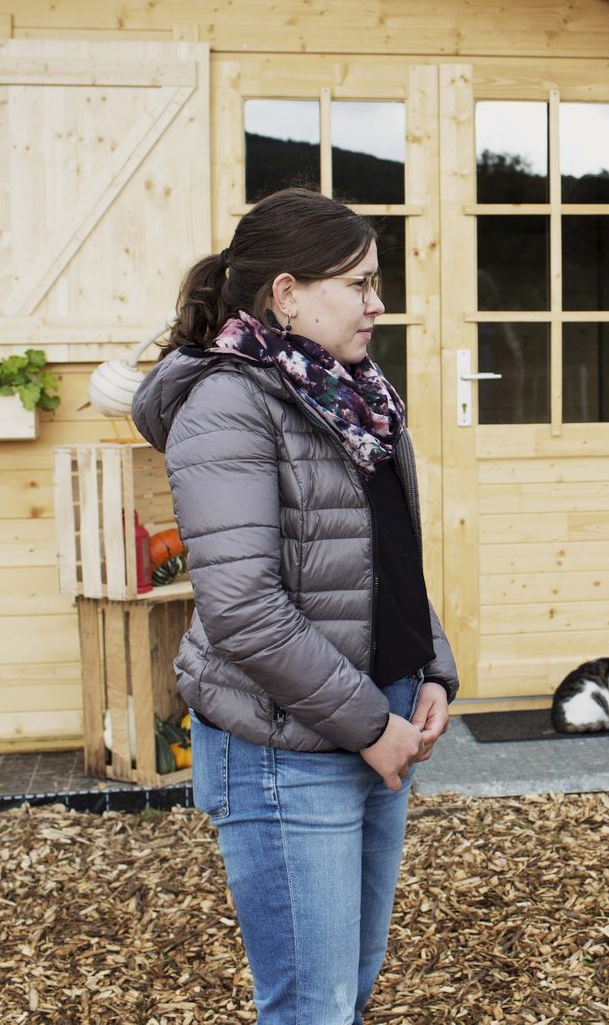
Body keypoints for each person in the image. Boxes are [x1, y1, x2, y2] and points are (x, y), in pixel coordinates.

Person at [132, 187, 458, 1025]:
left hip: (372, 719)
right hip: (285, 744)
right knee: (311, 1007)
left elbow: (387, 556)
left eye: (375, 281)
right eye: (358, 284)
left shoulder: (359, 397)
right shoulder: (228, 404)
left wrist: (431, 669)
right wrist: (370, 724)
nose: (377, 303)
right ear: (286, 293)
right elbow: (243, 607)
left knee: (346, 988)